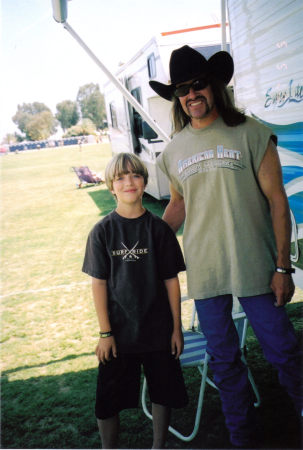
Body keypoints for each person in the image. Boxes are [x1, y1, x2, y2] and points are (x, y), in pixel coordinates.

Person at [149, 45, 302, 448]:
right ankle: (242, 437)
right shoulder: (175, 149)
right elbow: (179, 205)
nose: (191, 94)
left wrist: (283, 267)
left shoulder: (251, 132)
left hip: (256, 265)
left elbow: (277, 203)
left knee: (283, 351)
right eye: (181, 89)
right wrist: (149, 242)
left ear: (214, 85)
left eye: (198, 84)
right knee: (224, 360)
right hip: (206, 270)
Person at [82, 152, 188, 449]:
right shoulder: (102, 231)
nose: (129, 182)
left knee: (162, 392)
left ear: (144, 182)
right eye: (120, 177)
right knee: (107, 401)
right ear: (111, 187)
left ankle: (158, 445)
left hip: (158, 331)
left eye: (135, 175)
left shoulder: (159, 230)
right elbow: (99, 283)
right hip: (119, 334)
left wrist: (176, 329)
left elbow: (171, 281)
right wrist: (105, 333)